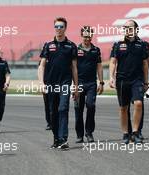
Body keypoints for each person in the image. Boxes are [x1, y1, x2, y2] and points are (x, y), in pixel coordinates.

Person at [38, 17, 78, 150]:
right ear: (54, 28)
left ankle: (63, 139)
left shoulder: (71, 46)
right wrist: (41, 83)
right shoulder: (48, 45)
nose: (59, 29)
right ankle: (56, 138)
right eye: (56, 26)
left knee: (63, 108)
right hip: (50, 84)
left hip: (65, 83)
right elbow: (41, 66)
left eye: (61, 26)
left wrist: (76, 86)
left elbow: (74, 67)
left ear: (65, 28)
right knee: (53, 112)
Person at [109, 19, 149, 144]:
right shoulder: (118, 44)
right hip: (122, 80)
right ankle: (125, 134)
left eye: (130, 27)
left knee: (138, 103)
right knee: (123, 108)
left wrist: (146, 81)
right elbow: (112, 61)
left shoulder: (142, 44)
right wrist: (111, 77)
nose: (128, 30)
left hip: (137, 80)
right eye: (125, 27)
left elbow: (145, 64)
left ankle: (136, 132)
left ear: (136, 29)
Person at [74, 26, 104, 143]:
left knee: (90, 106)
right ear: (81, 36)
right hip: (79, 83)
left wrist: (101, 83)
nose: (87, 38)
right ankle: (79, 135)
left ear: (92, 36)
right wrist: (74, 85)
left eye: (89, 36)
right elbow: (73, 67)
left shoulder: (96, 50)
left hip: (92, 83)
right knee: (78, 109)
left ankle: (89, 132)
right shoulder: (76, 49)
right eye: (85, 36)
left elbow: (99, 67)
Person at [38, 60, 51, 130]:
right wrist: (41, 84)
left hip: (54, 83)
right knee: (47, 104)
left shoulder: (54, 57)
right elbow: (39, 71)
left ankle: (55, 121)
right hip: (45, 84)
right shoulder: (42, 61)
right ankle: (49, 122)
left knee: (55, 103)